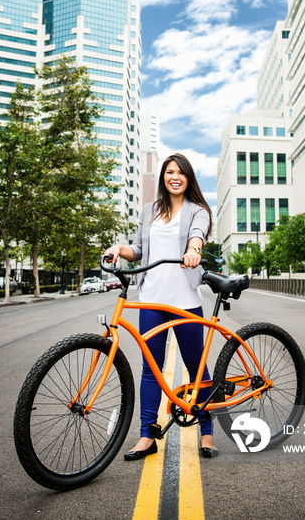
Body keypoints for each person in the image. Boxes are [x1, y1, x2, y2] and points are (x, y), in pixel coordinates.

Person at [104, 153, 219, 460]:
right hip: (152, 299)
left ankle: (206, 432)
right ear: (163, 178)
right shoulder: (149, 211)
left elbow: (197, 238)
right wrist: (119, 249)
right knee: (150, 369)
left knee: (197, 368)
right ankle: (146, 436)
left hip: (185, 300)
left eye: (180, 172)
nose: (174, 177)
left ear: (188, 178)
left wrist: (194, 251)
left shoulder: (198, 211)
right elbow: (139, 250)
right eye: (169, 172)